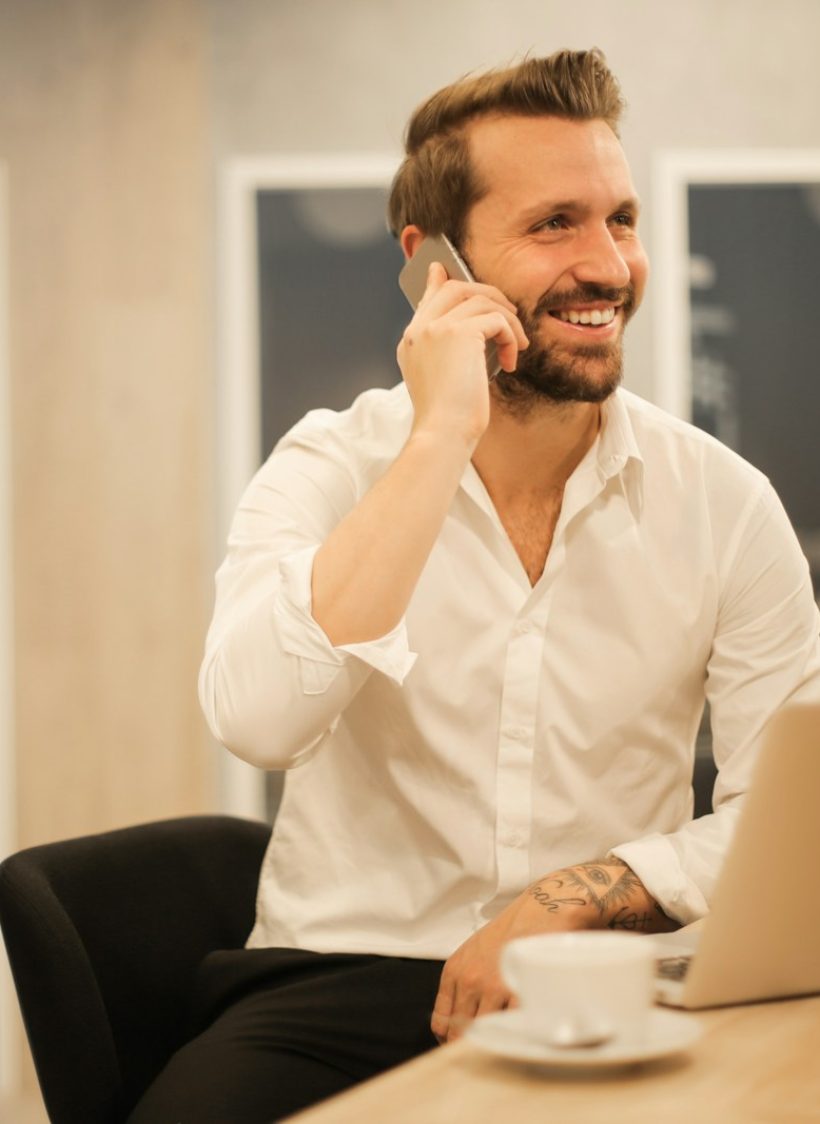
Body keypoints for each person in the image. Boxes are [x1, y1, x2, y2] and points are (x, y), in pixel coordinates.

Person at [128, 48, 820, 1124]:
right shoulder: (329, 464)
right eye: (555, 224)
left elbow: (787, 819)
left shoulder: (725, 505)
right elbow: (259, 718)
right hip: (338, 979)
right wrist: (438, 435)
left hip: (607, 974)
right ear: (434, 262)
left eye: (621, 219)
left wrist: (569, 898)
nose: (608, 266)